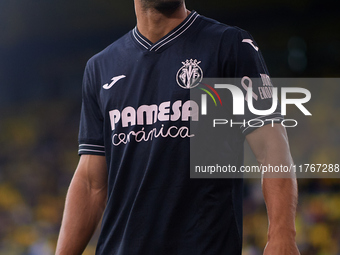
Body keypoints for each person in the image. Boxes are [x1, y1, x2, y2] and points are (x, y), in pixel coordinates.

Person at [56, 0, 300, 254]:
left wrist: (283, 236)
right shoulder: (100, 68)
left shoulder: (230, 45)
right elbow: (91, 182)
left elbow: (272, 148)